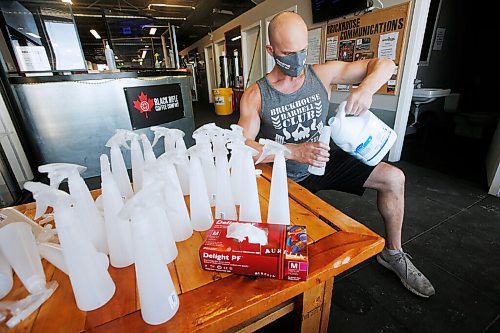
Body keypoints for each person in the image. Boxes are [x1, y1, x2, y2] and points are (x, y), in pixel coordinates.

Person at [238, 11, 435, 298]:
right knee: (295, 256)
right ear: (271, 51)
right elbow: (242, 145)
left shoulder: (321, 74)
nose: (297, 60)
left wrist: (366, 89)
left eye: (303, 51)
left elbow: (385, 64)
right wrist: (293, 151)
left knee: (394, 178)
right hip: (285, 173)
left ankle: (393, 253)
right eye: (288, 53)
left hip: (324, 159)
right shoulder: (257, 95)